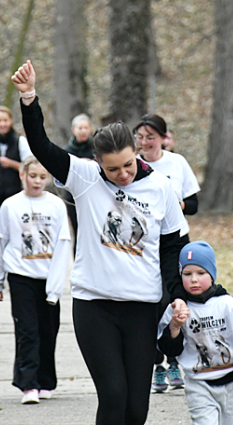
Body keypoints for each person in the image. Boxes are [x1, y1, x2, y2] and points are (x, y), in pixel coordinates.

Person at [10, 60, 188, 425]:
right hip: (95, 306)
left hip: (143, 306)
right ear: (97, 162)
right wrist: (29, 98)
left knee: (137, 409)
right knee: (113, 396)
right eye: (113, 169)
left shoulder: (162, 188)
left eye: (127, 166)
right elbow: (42, 147)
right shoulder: (85, 177)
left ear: (135, 154)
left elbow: (173, 247)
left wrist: (176, 296)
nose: (122, 175)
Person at [0, 156, 71, 404]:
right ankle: (28, 384)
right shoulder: (11, 205)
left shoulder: (56, 205)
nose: (37, 181)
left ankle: (46, 381)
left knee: (48, 330)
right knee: (27, 330)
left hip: (48, 277)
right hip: (20, 275)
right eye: (32, 176)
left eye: (42, 177)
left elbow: (63, 245)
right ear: (22, 175)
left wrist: (56, 287)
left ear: (49, 179)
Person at [157, 241, 233, 425]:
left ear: (212, 274)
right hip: (198, 383)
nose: (194, 279)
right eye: (187, 274)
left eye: (201, 273)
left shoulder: (228, 305)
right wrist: (175, 326)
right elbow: (170, 350)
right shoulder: (177, 309)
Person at [134, 114, 201, 392]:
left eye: (151, 136)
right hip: (144, 240)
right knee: (151, 301)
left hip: (175, 238)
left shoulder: (177, 163)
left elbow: (195, 204)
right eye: (140, 136)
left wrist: (174, 204)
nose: (145, 142)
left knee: (175, 300)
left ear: (163, 138)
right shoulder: (132, 165)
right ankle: (156, 365)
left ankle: (174, 361)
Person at [63, 113, 95, 240]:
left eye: (86, 128)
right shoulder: (67, 151)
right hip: (72, 197)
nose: (83, 131)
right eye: (80, 128)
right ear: (73, 130)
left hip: (93, 194)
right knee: (78, 233)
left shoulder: (98, 148)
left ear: (90, 129)